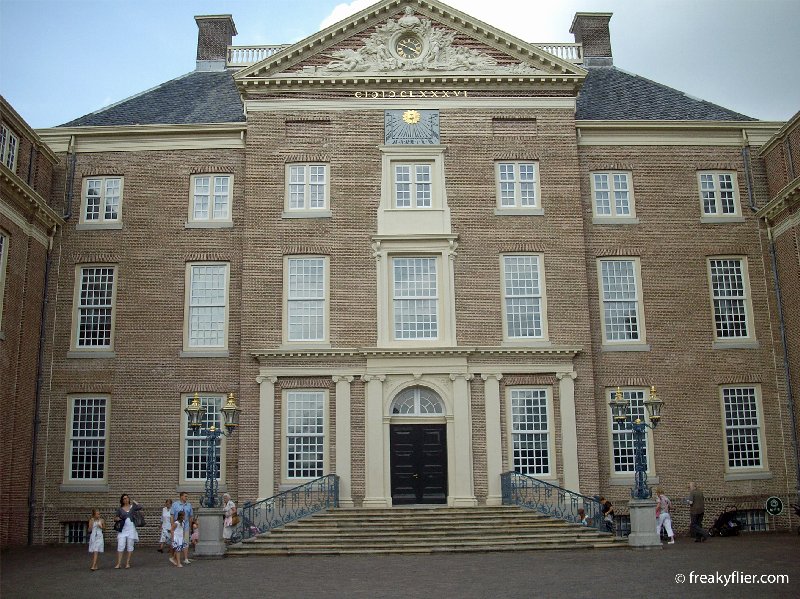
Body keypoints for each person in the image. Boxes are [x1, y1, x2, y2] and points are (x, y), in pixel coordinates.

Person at [113, 494, 143, 569]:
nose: (125, 500)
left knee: (130, 545)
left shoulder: (132, 507)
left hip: (131, 529)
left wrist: (134, 501)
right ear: (122, 500)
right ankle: (119, 563)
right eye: (124, 499)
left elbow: (140, 507)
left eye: (127, 498)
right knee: (121, 545)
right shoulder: (120, 509)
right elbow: (115, 518)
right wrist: (117, 519)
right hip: (123, 529)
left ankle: (127, 563)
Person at [170, 492, 193, 565]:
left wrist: (190, 526)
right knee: (177, 543)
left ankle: (186, 558)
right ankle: (174, 558)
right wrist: (172, 524)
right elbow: (172, 515)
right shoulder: (175, 505)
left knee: (185, 542)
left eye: (187, 496)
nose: (186, 497)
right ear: (181, 497)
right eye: (185, 496)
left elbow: (191, 516)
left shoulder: (189, 505)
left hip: (185, 526)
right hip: (177, 526)